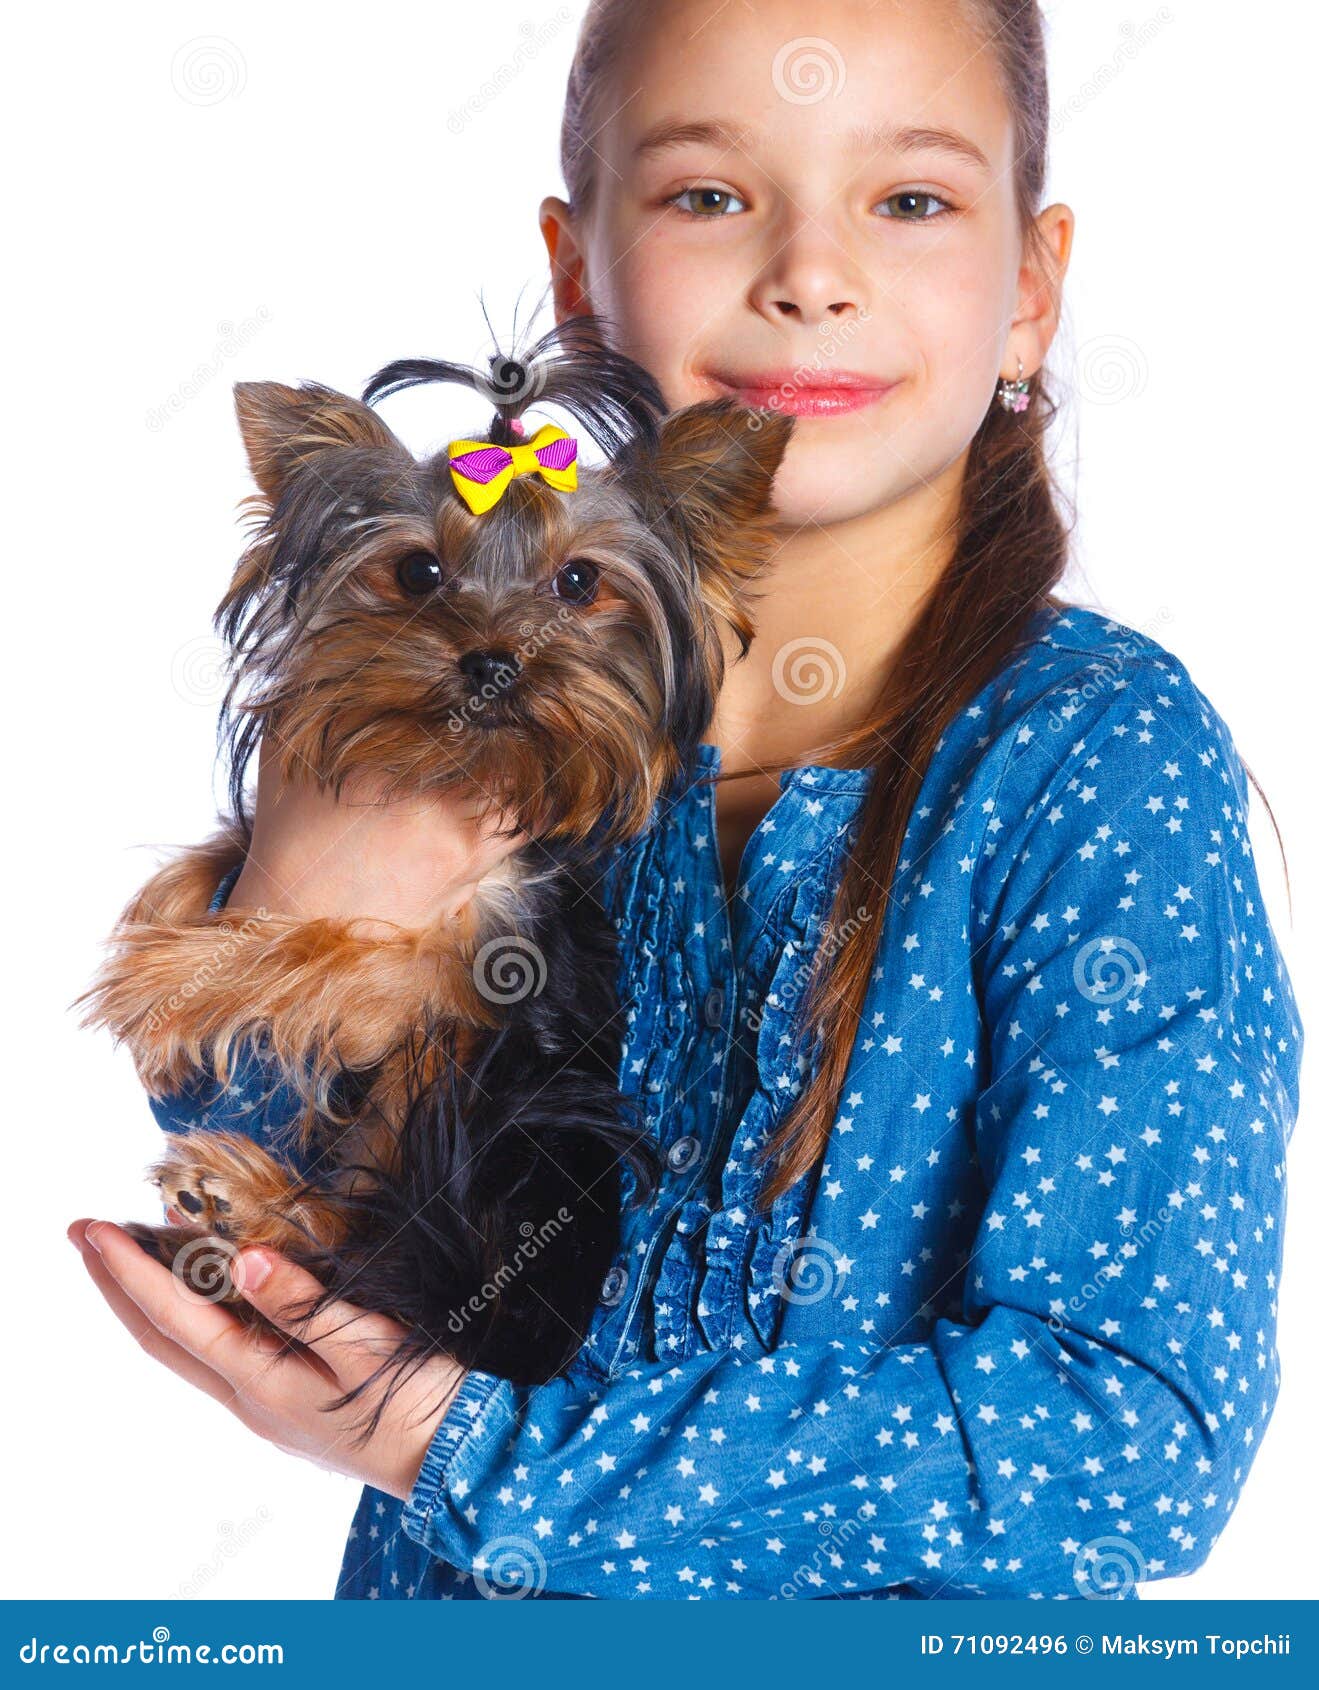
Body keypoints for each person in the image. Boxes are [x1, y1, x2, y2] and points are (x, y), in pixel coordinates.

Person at [69, 0, 1303, 1600]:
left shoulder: (1094, 764)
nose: (808, 271)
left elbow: (1129, 1443)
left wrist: (475, 1448)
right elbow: (298, 1206)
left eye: (911, 199)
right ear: (579, 281)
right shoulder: (502, 732)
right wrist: (295, 919)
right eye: (710, 196)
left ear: (1033, 292)